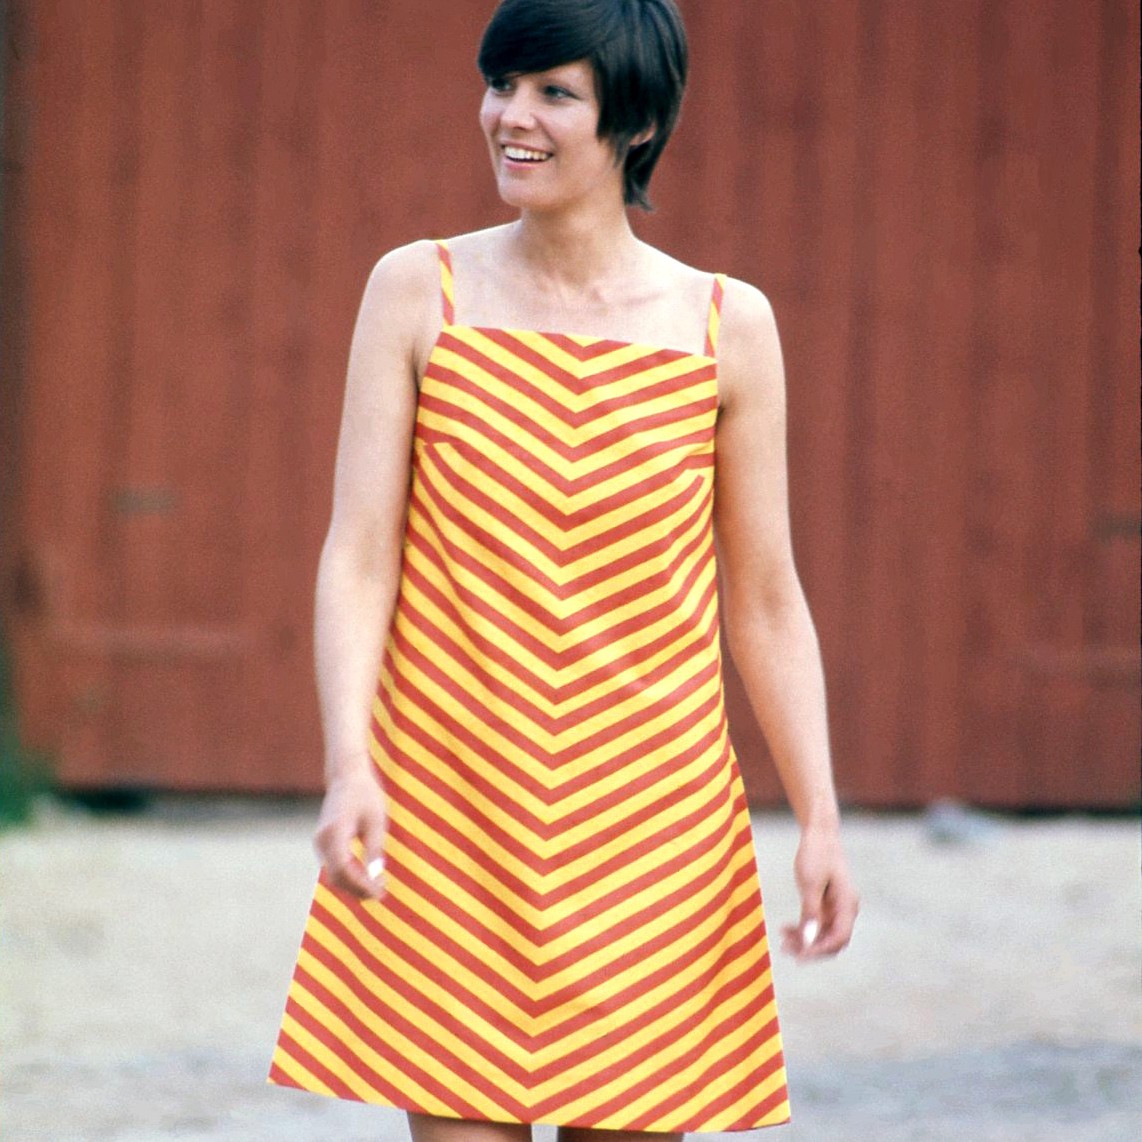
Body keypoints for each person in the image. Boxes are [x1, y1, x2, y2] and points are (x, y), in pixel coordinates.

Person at [269, 0, 859, 1137]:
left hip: (653, 824)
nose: (509, 116)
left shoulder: (726, 326)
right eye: (500, 84)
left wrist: (819, 815)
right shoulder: (415, 288)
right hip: (449, 806)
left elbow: (766, 599)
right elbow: (357, 556)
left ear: (631, 121)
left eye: (553, 92)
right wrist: (349, 763)